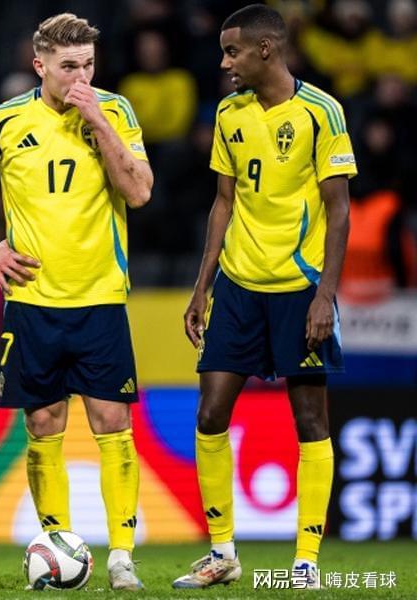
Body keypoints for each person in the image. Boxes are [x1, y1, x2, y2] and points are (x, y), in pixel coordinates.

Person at [0, 13, 153, 591]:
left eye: (89, 65)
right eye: (69, 66)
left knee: (113, 422)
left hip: (100, 296)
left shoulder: (115, 111)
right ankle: (56, 546)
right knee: (44, 422)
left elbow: (139, 192)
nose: (81, 77)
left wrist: (98, 121)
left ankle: (122, 557)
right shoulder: (5, 121)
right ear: (40, 66)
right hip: (33, 301)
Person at [175, 4, 357, 590]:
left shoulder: (321, 111)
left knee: (310, 420)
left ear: (266, 50)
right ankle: (222, 553)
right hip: (237, 286)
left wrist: (325, 295)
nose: (224, 63)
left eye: (232, 52)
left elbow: (338, 209)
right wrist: (202, 286)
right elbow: (223, 202)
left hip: (298, 288)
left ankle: (305, 562)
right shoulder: (228, 113)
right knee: (210, 414)